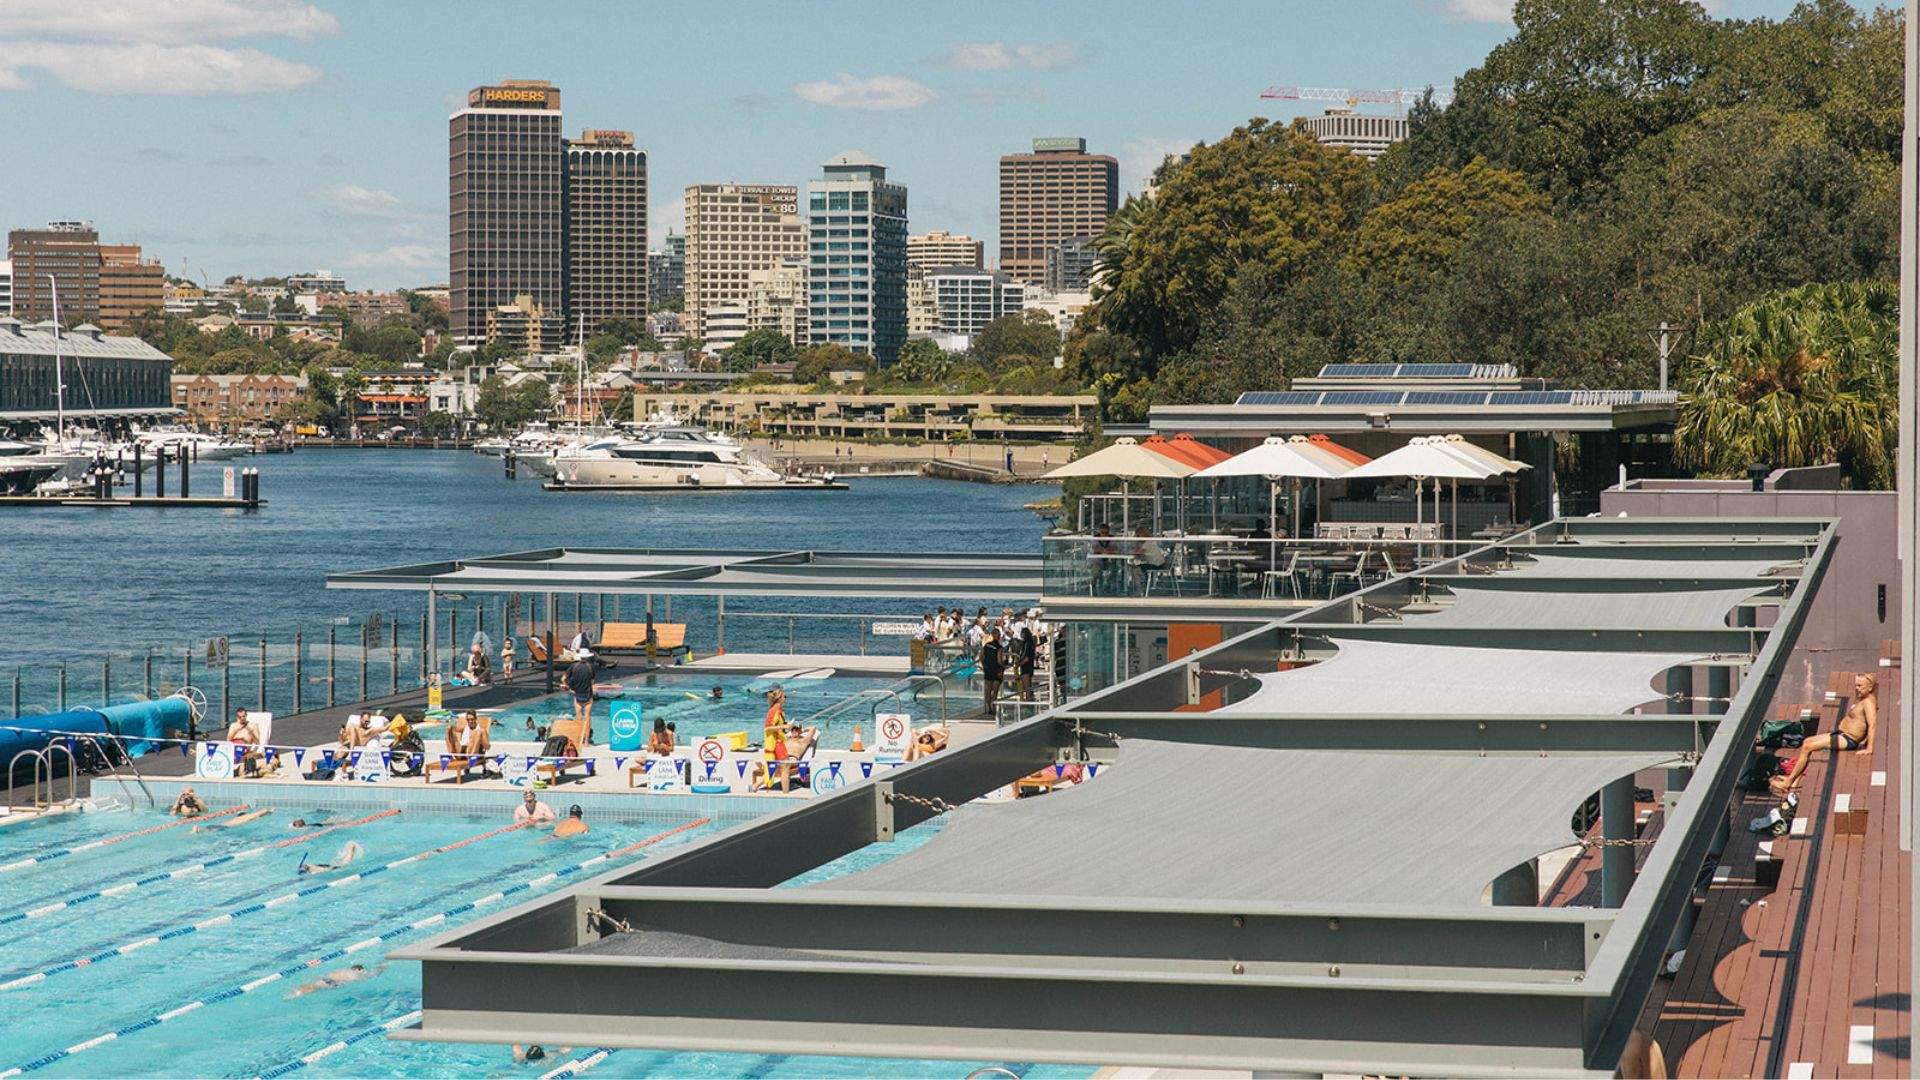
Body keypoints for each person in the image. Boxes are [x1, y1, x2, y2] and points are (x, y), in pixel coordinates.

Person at [1772, 673, 1878, 793]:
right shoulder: (1863, 699)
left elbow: (1873, 724)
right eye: (1856, 685)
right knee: (1807, 741)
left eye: (1860, 686)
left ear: (1870, 687)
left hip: (1848, 739)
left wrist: (1869, 748)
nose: (1857, 688)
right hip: (1842, 734)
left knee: (1808, 746)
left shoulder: (1868, 702)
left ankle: (1788, 782)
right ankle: (1795, 780)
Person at [287, 962, 385, 998]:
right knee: (315, 987)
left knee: (313, 985)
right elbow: (373, 975)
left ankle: (296, 991)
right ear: (358, 969)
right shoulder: (354, 974)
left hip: (327, 978)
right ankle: (296, 994)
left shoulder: (342, 970)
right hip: (332, 982)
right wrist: (381, 968)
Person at [227, 708, 266, 777]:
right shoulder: (233, 726)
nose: (242, 718)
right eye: (240, 717)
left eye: (243, 716)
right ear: (237, 717)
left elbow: (257, 742)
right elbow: (228, 740)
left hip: (244, 748)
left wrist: (251, 732)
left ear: (246, 716)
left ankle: (239, 770)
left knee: (240, 757)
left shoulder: (253, 726)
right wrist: (236, 730)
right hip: (233, 747)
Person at [566, 651, 597, 730]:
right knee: (587, 716)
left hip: (577, 693)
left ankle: (579, 736)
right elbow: (592, 681)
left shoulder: (574, 666)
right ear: (587, 657)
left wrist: (570, 688)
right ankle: (586, 739)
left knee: (578, 716)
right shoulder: (591, 667)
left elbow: (564, 679)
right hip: (588, 694)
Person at [298, 840, 364, 874]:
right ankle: (351, 849)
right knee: (342, 863)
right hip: (322, 867)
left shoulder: (313, 871)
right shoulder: (312, 869)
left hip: (324, 868)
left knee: (343, 865)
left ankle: (351, 849)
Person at [980, 629, 1005, 712]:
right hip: (996, 671)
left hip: (988, 670)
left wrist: (984, 666)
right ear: (998, 636)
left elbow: (981, 657)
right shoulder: (999, 647)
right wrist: (1005, 665)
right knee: (995, 691)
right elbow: (999, 661)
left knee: (988, 690)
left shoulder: (987, 645)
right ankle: (994, 708)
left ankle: (988, 708)